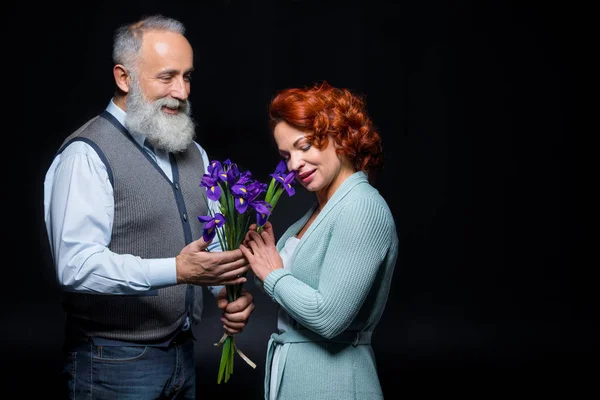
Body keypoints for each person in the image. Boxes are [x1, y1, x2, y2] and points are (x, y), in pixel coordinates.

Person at [43, 15, 254, 399]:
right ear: (124, 78)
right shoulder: (85, 155)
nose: (182, 91)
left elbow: (211, 241)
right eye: (167, 77)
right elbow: (75, 266)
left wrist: (223, 291)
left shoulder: (196, 153)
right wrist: (177, 270)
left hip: (182, 355)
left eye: (187, 77)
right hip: (112, 362)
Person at [239, 81, 399, 399]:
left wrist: (271, 274)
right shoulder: (321, 208)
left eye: (305, 146)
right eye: (286, 154)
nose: (293, 164)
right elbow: (293, 285)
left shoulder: (362, 207)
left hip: (334, 384)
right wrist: (264, 259)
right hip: (302, 380)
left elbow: (328, 318)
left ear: (340, 135)